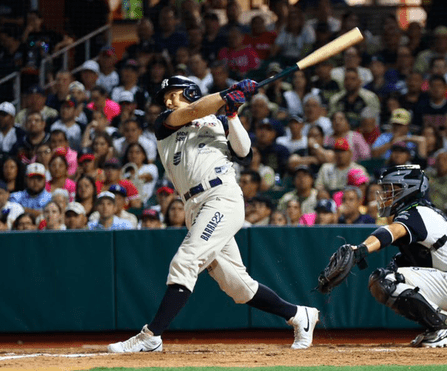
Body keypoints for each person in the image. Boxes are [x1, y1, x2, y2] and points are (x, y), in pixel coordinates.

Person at [107, 76, 318, 353]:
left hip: (222, 197)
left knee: (185, 261)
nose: (168, 101)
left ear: (191, 91)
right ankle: (300, 315)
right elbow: (195, 111)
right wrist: (228, 93)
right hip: (193, 205)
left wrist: (231, 114)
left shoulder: (218, 121)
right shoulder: (166, 122)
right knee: (237, 286)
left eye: (173, 94)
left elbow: (244, 151)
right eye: (165, 97)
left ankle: (152, 335)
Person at [337, 164, 447, 347]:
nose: (386, 195)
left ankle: (446, 325)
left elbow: (390, 231)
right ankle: (438, 326)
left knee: (386, 280)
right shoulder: (421, 211)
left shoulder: (417, 212)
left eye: (392, 189)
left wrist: (361, 249)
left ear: (409, 189)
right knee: (395, 267)